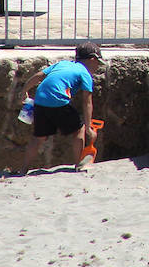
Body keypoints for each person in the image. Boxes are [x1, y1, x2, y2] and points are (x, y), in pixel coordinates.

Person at [17, 42, 103, 173]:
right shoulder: (85, 73)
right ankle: (79, 165)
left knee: (38, 138)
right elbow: (87, 102)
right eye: (98, 62)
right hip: (58, 101)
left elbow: (39, 76)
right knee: (79, 130)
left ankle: (23, 169)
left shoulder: (62, 64)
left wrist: (24, 91)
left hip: (40, 101)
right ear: (92, 59)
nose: (98, 67)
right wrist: (89, 128)